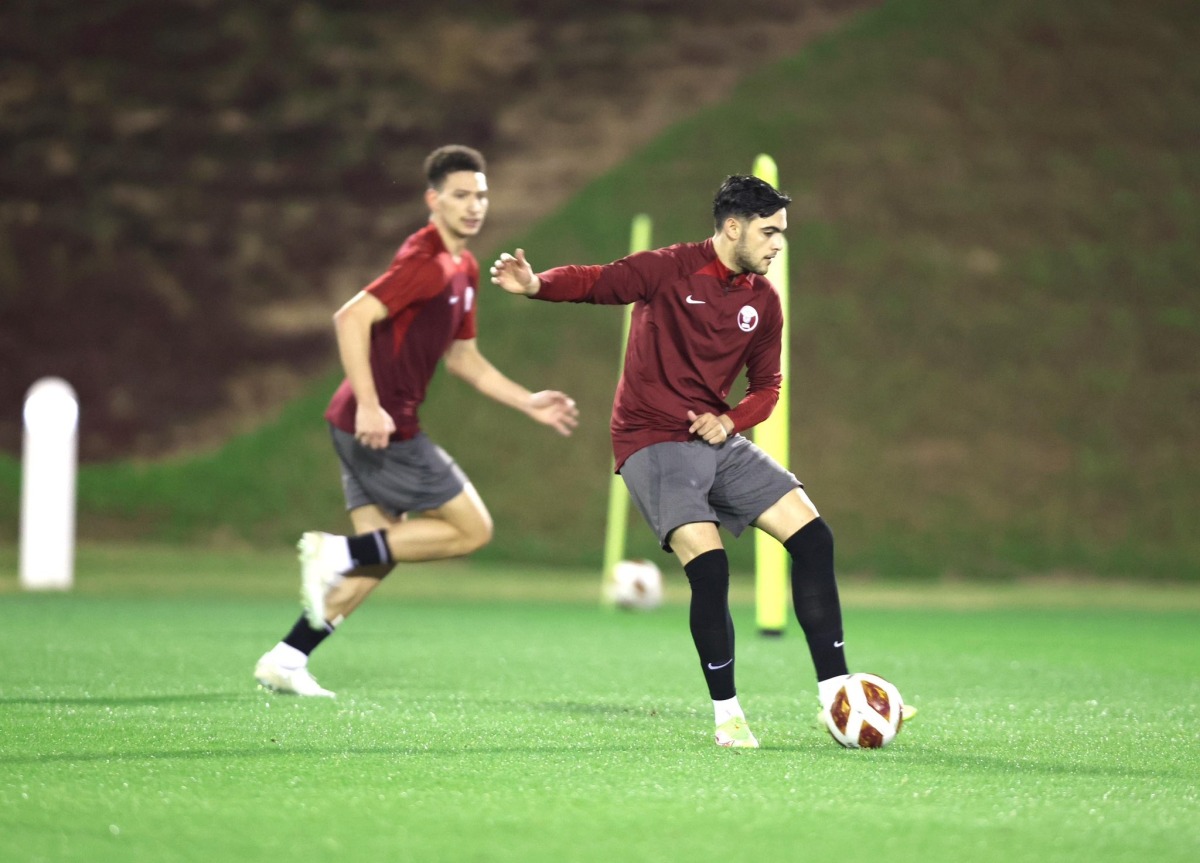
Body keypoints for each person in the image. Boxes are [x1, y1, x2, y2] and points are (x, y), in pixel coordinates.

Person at [491, 174, 864, 748]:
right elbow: (598, 281)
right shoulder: (668, 268)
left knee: (814, 538)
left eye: (782, 232)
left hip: (715, 439)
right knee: (710, 568)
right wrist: (537, 284)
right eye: (769, 232)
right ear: (733, 228)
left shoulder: (763, 301)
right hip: (651, 438)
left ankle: (838, 698)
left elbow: (768, 386)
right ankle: (728, 716)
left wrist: (730, 422)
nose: (778, 243)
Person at [254, 145, 579, 698]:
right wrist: (371, 403)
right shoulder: (426, 263)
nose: (474, 206)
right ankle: (334, 554)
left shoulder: (464, 267)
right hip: (381, 426)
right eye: (461, 195)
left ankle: (287, 659)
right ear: (433, 200)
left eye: (481, 195)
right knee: (472, 530)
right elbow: (351, 317)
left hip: (360, 423)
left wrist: (527, 401)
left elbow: (463, 358)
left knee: (383, 552)